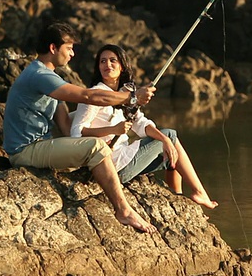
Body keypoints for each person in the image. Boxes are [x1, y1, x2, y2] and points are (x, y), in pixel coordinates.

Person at [3, 22, 158, 234]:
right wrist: (132, 97)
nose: (72, 54)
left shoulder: (51, 78)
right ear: (53, 48)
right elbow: (88, 96)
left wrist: (107, 128)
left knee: (84, 118)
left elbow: (67, 127)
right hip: (25, 150)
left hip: (42, 143)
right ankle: (123, 211)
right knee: (96, 147)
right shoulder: (39, 75)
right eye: (69, 48)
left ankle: (102, 165)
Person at [70, 44, 218, 209]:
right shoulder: (95, 94)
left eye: (113, 60)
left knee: (171, 150)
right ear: (98, 67)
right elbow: (77, 133)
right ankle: (199, 192)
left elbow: (141, 123)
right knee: (170, 134)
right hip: (112, 165)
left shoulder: (126, 94)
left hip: (125, 156)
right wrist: (112, 130)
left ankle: (177, 197)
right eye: (103, 61)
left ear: (123, 66)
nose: (107, 65)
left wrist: (164, 140)